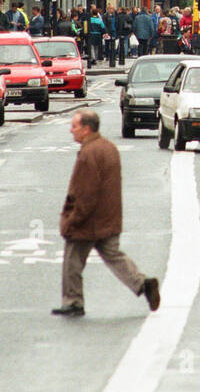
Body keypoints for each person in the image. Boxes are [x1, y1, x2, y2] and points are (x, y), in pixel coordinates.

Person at [54, 109, 160, 317]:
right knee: (114, 256)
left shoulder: (88, 154)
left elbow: (85, 193)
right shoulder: (109, 147)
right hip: (109, 217)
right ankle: (143, 284)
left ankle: (73, 301)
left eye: (74, 126)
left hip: (88, 221)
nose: (71, 130)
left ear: (86, 129)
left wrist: (72, 221)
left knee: (72, 260)